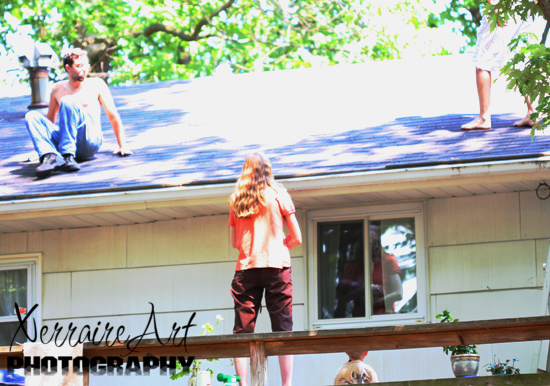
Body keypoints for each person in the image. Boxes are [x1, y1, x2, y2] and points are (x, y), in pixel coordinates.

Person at [228, 152, 302, 386]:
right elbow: (297, 237)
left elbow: (235, 243)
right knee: (282, 327)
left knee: (242, 331)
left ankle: (242, 384)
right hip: (276, 266)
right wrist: (282, 246)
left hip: (246, 267)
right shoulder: (278, 193)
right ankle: (286, 384)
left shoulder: (237, 198)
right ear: (268, 170)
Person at [25, 48, 131, 178]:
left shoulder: (97, 84)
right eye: (79, 66)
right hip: (66, 140)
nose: (84, 69)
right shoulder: (58, 88)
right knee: (32, 116)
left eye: (86, 65)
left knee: (68, 100)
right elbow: (49, 122)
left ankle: (67, 156)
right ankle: (50, 156)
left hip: (89, 140)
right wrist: (42, 147)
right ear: (68, 68)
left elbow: (113, 116)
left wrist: (123, 145)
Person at [461, 0, 536, 130]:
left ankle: (484, 117)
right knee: (516, 57)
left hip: (502, 6)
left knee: (482, 59)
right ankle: (532, 112)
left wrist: (495, 8)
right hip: (526, 5)